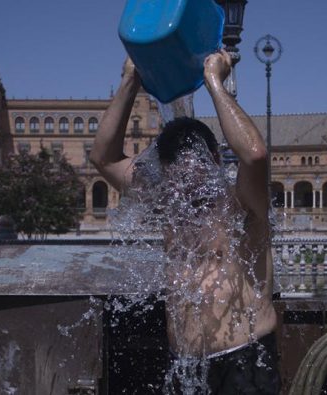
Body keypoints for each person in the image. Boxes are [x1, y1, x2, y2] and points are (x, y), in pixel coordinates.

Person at [90, 52, 280, 394]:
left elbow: (254, 153)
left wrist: (214, 81)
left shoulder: (242, 202)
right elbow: (103, 158)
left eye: (195, 172)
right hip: (186, 363)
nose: (187, 186)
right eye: (177, 175)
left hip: (244, 360)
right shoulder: (170, 203)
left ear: (215, 160)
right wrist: (130, 81)